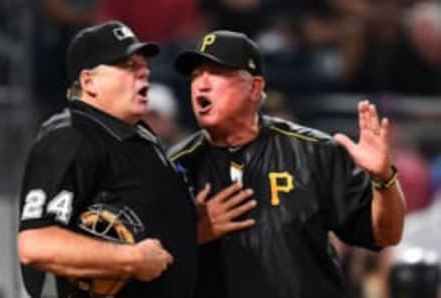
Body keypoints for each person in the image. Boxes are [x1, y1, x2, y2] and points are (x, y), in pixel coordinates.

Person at [169, 30, 406, 298]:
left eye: (216, 73)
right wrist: (192, 236)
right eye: (196, 75)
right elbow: (144, 261)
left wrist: (384, 180)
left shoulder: (314, 153)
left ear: (255, 87)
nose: (201, 84)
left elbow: (385, 235)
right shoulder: (174, 168)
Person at [17, 21, 197, 298]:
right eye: (128, 66)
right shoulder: (71, 136)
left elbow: (147, 233)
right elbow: (36, 244)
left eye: (144, 64)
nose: (144, 72)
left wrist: (197, 230)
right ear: (89, 81)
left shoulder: (136, 137)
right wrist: (130, 259)